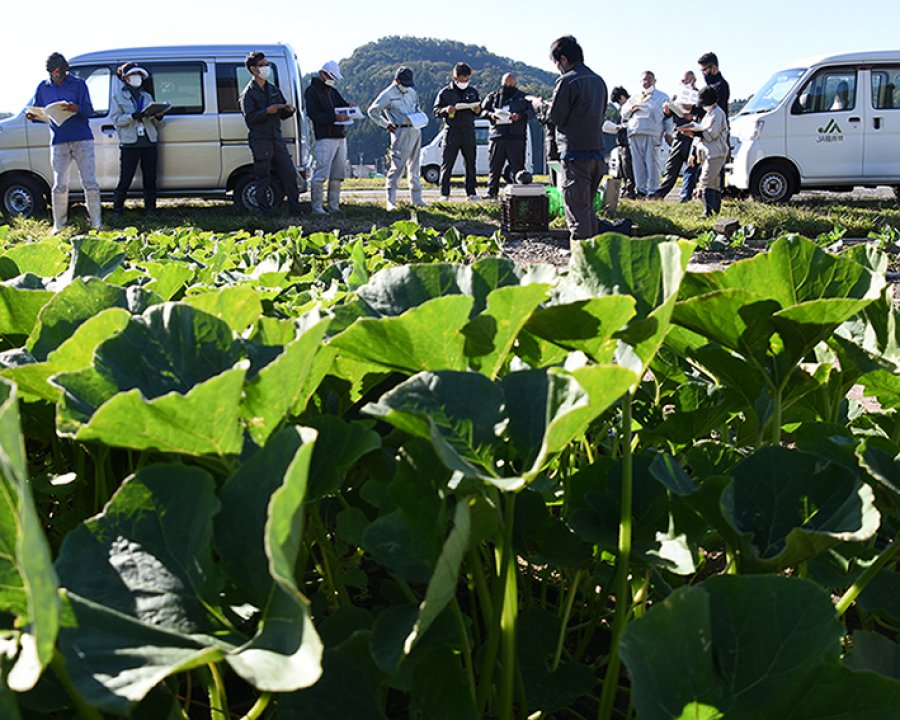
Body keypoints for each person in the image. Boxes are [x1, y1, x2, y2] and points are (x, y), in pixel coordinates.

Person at [533, 35, 607, 242]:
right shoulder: (599, 81)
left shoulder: (567, 81)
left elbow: (555, 117)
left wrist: (540, 106)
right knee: (587, 209)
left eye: (556, 63)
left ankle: (582, 260)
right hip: (597, 153)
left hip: (575, 154)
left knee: (576, 210)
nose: (557, 67)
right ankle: (595, 257)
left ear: (563, 59)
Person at [27, 52, 101, 231]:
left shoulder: (79, 84)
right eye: (51, 72)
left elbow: (89, 111)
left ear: (66, 69)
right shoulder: (43, 87)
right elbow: (41, 112)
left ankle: (97, 223)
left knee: (89, 182)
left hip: (82, 138)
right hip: (58, 140)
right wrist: (33, 116)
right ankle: (59, 226)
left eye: (58, 72)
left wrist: (76, 108)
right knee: (59, 185)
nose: (54, 75)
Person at [239, 50, 303, 214]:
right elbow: (250, 119)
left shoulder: (273, 89)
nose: (267, 68)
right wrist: (267, 111)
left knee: (289, 173)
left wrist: (288, 110)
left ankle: (295, 208)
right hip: (261, 141)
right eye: (263, 65)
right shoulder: (248, 94)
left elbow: (283, 113)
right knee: (263, 177)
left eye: (267, 64)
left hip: (277, 138)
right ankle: (264, 211)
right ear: (253, 69)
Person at [367, 66, 426, 211]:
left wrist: (420, 116)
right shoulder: (387, 94)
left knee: (415, 166)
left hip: (416, 128)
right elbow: (373, 111)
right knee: (397, 166)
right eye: (404, 83)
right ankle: (391, 201)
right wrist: (386, 125)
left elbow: (416, 107)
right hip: (400, 131)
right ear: (397, 80)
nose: (406, 87)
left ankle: (417, 199)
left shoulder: (412, 92)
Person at [109, 63, 164, 215]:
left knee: (150, 178)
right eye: (134, 75)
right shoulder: (118, 96)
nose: (137, 78)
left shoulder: (146, 96)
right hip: (129, 144)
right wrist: (132, 117)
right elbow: (115, 120)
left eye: (139, 75)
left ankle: (151, 209)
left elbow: (157, 123)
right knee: (125, 178)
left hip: (149, 142)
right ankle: (118, 209)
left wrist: (159, 116)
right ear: (125, 78)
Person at [305, 60, 353, 214]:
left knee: (338, 173)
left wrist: (350, 107)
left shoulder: (333, 91)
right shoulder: (312, 91)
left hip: (340, 136)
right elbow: (314, 114)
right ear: (322, 74)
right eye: (330, 76)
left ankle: (334, 206)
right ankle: (317, 207)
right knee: (320, 173)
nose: (332, 80)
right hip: (324, 137)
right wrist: (334, 118)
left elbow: (342, 105)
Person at [433, 62, 481, 201]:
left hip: (468, 130)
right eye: (462, 80)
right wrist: (446, 110)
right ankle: (444, 193)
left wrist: (477, 110)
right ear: (455, 78)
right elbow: (436, 111)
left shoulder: (472, 91)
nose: (464, 82)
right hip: (452, 131)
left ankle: (471, 192)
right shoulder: (445, 92)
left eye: (467, 80)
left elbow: (479, 110)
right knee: (447, 163)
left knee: (470, 163)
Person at [677, 86, 727, 217]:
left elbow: (712, 134)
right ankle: (714, 211)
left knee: (705, 180)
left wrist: (694, 133)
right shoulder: (709, 114)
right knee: (714, 183)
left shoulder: (718, 114)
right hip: (708, 152)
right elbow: (701, 133)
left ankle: (708, 212)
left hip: (716, 152)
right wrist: (694, 152)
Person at [481, 73, 532, 198]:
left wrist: (520, 116)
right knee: (494, 166)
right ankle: (491, 192)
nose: (508, 87)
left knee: (518, 168)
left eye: (511, 84)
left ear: (515, 84)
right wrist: (491, 115)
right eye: (505, 84)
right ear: (501, 83)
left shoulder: (523, 97)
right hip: (497, 135)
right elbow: (482, 111)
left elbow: (531, 112)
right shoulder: (493, 96)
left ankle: (519, 192)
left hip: (516, 136)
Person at [654, 71, 700, 201]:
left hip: (693, 134)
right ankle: (660, 194)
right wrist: (667, 110)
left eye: (688, 81)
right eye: (683, 81)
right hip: (679, 134)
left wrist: (690, 112)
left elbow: (698, 113)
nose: (686, 83)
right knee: (672, 166)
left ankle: (686, 196)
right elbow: (668, 115)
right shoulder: (676, 96)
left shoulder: (698, 94)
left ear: (694, 80)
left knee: (692, 167)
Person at [621, 71, 667, 197]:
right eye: (644, 80)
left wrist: (668, 132)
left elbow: (668, 117)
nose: (646, 82)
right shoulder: (635, 97)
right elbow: (623, 113)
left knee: (652, 163)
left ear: (654, 81)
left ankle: (653, 190)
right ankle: (640, 189)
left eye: (649, 79)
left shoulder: (662, 97)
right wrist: (631, 109)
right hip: (635, 132)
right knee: (637, 163)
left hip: (652, 133)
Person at [608, 86, 636, 199]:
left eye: (619, 101)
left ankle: (630, 190)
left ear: (622, 97)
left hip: (627, 142)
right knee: (622, 170)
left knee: (628, 169)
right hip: (621, 142)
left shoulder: (631, 106)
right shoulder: (624, 109)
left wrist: (621, 127)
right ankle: (625, 189)